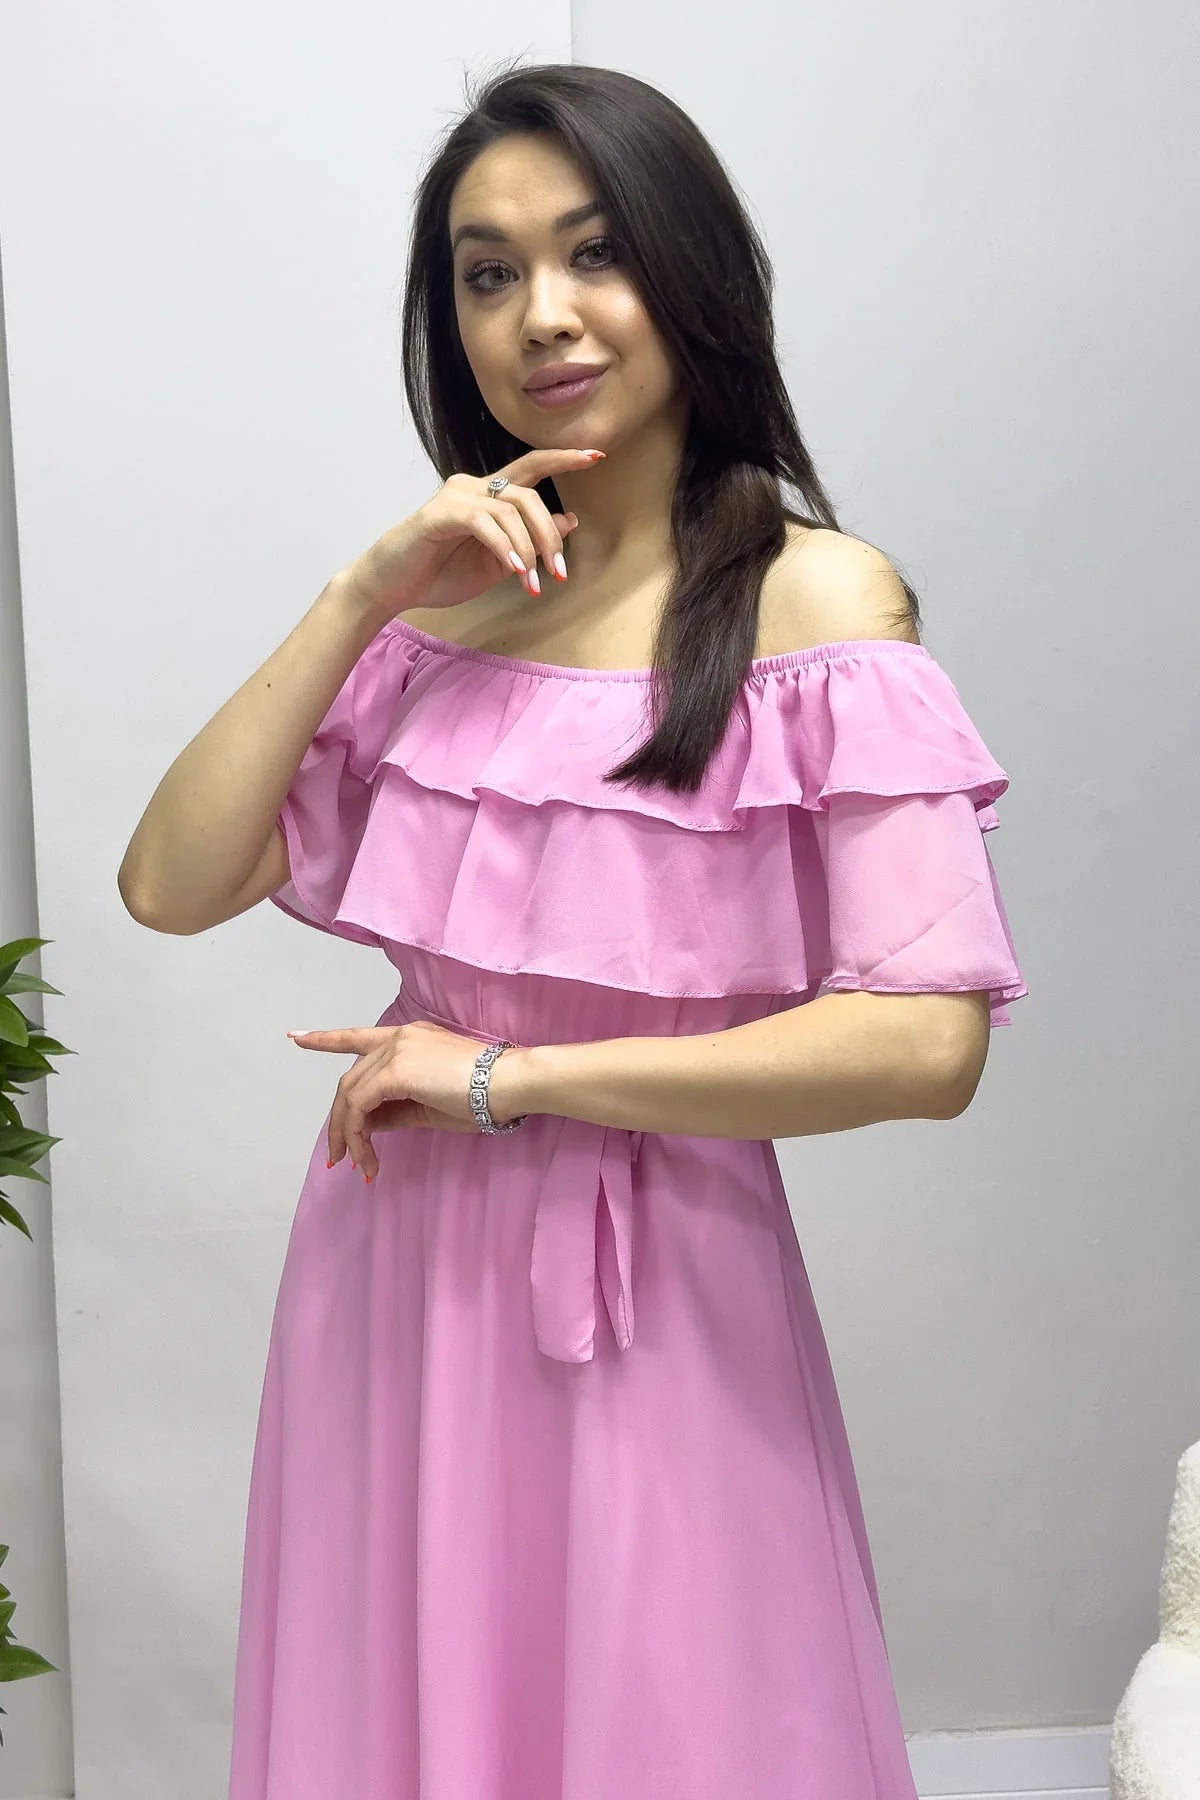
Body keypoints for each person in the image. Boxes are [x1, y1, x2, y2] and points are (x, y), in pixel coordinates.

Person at [119, 58, 1026, 1800]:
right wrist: (362, 591)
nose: (541, 312)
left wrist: (508, 1079)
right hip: (392, 1273)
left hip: (660, 1283)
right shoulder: (445, 623)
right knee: (405, 1723)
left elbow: (928, 1043)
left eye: (593, 252)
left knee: (677, 1723)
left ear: (691, 271)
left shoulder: (817, 602)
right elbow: (169, 882)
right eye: (488, 272)